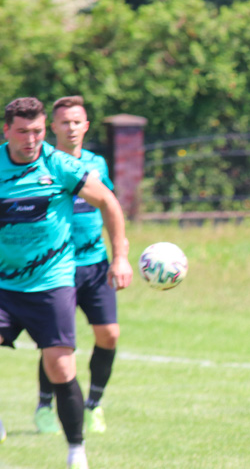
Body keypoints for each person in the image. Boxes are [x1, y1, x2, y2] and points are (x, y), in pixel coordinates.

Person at [0, 98, 133, 469]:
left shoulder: (58, 165)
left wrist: (120, 255)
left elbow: (108, 202)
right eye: (23, 131)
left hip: (52, 283)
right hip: (5, 286)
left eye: (38, 131)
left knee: (61, 367)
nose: (31, 139)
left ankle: (77, 451)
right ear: (7, 130)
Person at [33, 96, 120, 436]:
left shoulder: (97, 164)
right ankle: (44, 405)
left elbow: (109, 204)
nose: (71, 128)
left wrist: (119, 255)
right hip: (57, 268)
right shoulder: (44, 165)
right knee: (56, 343)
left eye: (77, 122)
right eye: (64, 122)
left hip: (95, 264)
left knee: (109, 334)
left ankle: (94, 405)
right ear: (52, 127)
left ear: (86, 126)